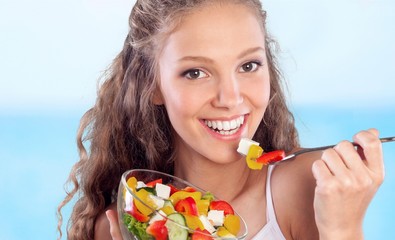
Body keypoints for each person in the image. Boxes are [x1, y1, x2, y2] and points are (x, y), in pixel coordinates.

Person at [57, 0, 385, 239]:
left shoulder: (304, 189)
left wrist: (343, 229)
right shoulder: (125, 224)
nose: (230, 98)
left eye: (248, 66)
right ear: (152, 85)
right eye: (196, 72)